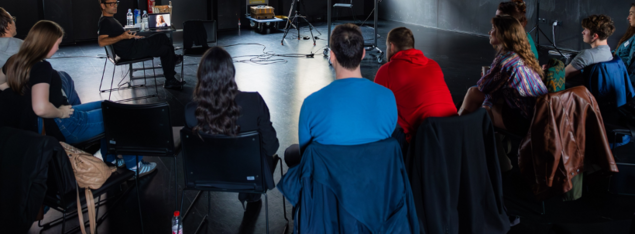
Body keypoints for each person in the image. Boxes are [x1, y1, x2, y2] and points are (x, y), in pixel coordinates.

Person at [0, 20, 155, 175]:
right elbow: (40, 108)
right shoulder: (41, 67)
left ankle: (111, 159)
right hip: (65, 123)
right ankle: (136, 166)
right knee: (123, 116)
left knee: (107, 106)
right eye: (57, 43)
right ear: (47, 43)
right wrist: (60, 112)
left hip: (59, 118)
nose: (58, 48)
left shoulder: (15, 60)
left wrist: (23, 96)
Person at [285, 23, 397, 166]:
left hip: (327, 179)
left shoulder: (310, 105)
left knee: (291, 153)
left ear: (332, 56)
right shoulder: (388, 97)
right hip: (376, 177)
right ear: (363, 53)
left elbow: (306, 155)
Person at [185, 46, 279, 205]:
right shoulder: (253, 101)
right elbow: (271, 148)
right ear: (231, 73)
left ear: (201, 75)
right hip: (250, 175)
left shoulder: (190, 111)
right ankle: (251, 195)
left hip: (209, 175)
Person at [459, 15, 548, 136]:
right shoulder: (522, 54)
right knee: (477, 95)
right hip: (537, 115)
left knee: (473, 94)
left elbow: (483, 86)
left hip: (524, 121)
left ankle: (456, 132)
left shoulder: (505, 60)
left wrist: (486, 78)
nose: (489, 32)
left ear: (503, 34)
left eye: (493, 28)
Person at [0, 7, 80, 105]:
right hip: (30, 96)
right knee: (63, 77)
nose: (14, 22)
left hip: (3, 100)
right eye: (12, 19)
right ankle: (73, 112)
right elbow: (40, 70)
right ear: (7, 26)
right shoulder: (21, 47)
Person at [374, 27, 457, 144]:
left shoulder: (387, 70)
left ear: (392, 46)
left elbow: (375, 111)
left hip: (423, 142)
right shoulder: (434, 64)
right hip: (454, 135)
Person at [97, 0, 183, 90]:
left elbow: (118, 36)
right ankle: (174, 59)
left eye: (116, 3)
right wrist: (122, 36)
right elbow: (101, 42)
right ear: (103, 5)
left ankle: (170, 80)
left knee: (166, 49)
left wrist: (131, 37)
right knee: (161, 36)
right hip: (131, 51)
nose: (115, 6)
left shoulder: (110, 19)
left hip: (132, 47)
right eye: (111, 4)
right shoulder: (105, 21)